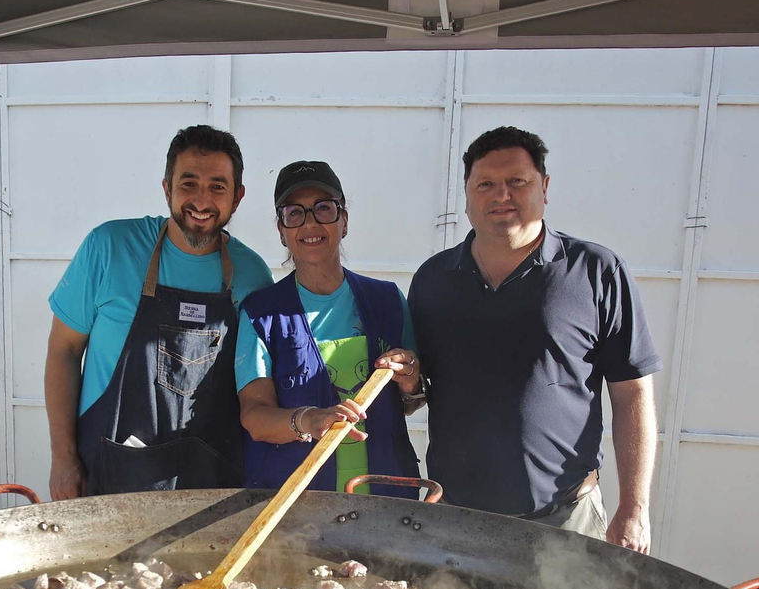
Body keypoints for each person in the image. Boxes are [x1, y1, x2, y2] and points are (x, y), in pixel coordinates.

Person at [408, 127, 661, 550]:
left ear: (543, 187)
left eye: (517, 182)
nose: (500, 195)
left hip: (566, 519)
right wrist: (403, 382)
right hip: (455, 520)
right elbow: (417, 393)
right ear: (467, 196)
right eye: (485, 184)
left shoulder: (596, 271)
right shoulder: (433, 279)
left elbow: (633, 396)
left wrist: (634, 509)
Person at [44, 126, 274, 499]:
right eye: (188, 184)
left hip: (213, 491)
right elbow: (63, 351)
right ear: (167, 188)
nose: (201, 200)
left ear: (238, 197)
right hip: (112, 479)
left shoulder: (253, 275)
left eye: (217, 186)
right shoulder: (109, 248)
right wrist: (63, 457)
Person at [235, 161, 423, 498]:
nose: (311, 223)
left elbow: (411, 398)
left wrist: (409, 378)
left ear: (344, 221)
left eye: (324, 208)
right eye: (295, 213)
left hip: (385, 500)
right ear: (281, 229)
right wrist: (309, 420)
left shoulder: (388, 300)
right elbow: (255, 416)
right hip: (298, 505)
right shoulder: (262, 315)